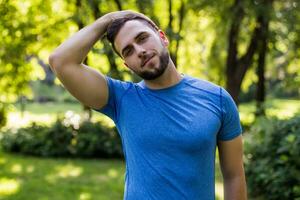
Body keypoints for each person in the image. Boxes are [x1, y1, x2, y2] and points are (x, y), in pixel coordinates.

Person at [49, 10, 247, 200]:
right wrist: (109, 19)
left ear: (163, 37)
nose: (140, 51)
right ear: (127, 64)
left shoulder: (217, 98)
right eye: (128, 51)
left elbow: (234, 175)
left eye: (142, 38)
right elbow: (60, 61)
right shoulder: (120, 99)